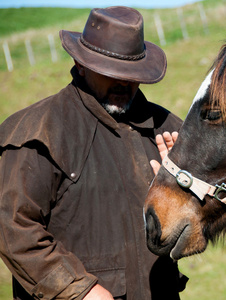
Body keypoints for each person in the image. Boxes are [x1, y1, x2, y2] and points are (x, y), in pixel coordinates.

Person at [0, 6, 187, 300]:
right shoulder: (37, 132)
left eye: (132, 73)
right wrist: (77, 289)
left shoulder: (169, 130)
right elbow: (13, 226)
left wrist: (186, 192)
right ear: (81, 64)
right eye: (111, 72)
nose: (124, 82)